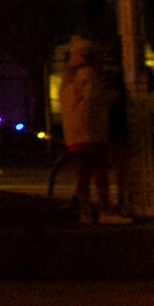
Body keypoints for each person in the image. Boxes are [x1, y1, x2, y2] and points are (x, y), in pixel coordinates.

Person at [59, 35, 114, 223]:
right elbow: (93, 100)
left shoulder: (67, 79)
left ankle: (85, 212)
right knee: (100, 171)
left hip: (74, 135)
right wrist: (109, 97)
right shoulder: (88, 73)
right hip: (91, 131)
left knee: (82, 173)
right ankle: (105, 210)